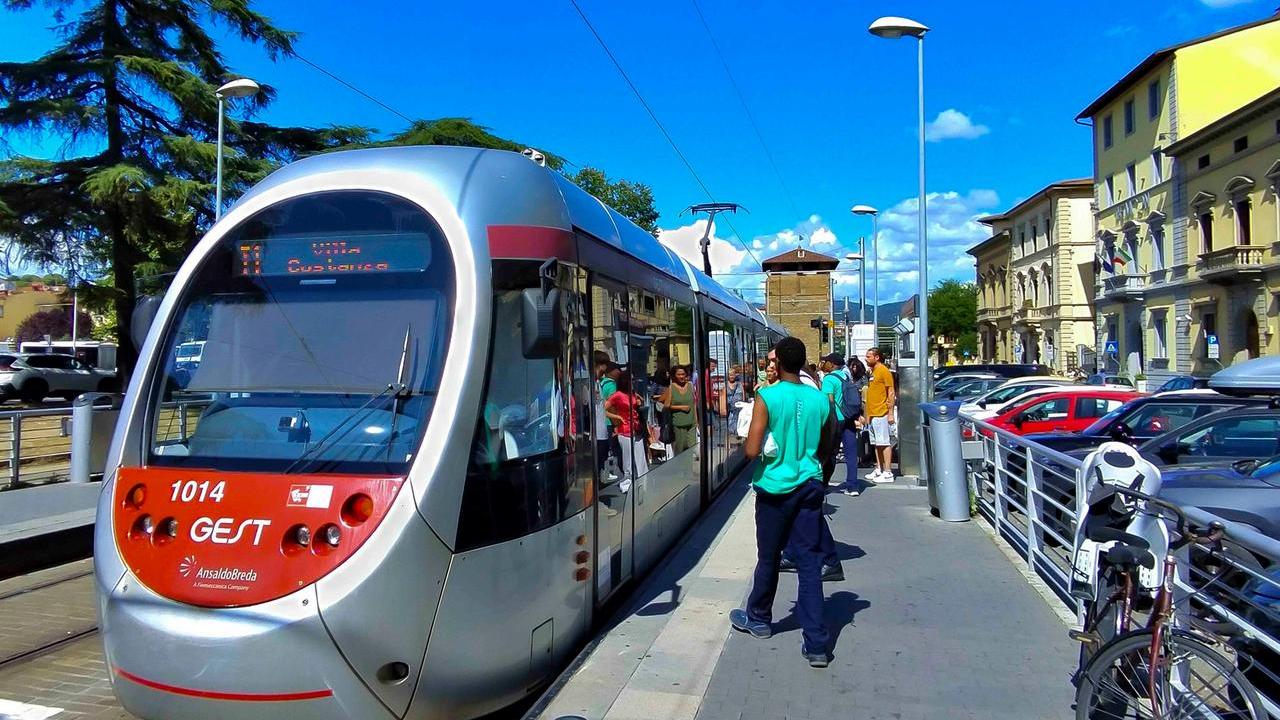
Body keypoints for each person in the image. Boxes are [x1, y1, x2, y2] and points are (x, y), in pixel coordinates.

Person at [729, 337, 832, 668]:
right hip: (809, 485)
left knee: (769, 557)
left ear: (781, 363)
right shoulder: (820, 399)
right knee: (809, 564)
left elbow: (751, 450)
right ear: (801, 363)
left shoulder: (768, 396)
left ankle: (759, 618)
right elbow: (827, 446)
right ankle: (817, 645)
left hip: (774, 488)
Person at [605, 371, 647, 489]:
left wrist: (639, 402)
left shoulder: (632, 393)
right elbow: (604, 408)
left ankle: (644, 481)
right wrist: (617, 417)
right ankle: (627, 483)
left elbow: (639, 404)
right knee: (628, 459)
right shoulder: (617, 395)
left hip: (636, 428)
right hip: (625, 430)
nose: (633, 382)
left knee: (640, 457)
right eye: (631, 380)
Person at [864, 346, 896, 483]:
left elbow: (891, 392)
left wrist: (890, 413)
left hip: (881, 412)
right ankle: (879, 468)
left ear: (877, 357)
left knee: (884, 442)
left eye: (868, 356)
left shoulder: (884, 371)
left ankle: (888, 472)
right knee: (877, 443)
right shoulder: (873, 372)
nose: (866, 359)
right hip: (873, 413)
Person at [660, 366, 698, 455]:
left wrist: (696, 421)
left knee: (692, 448)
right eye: (679, 374)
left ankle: (690, 464)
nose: (681, 376)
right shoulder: (672, 387)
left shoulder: (690, 385)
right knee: (680, 451)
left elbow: (694, 404)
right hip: (679, 424)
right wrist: (680, 407)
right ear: (674, 376)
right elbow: (666, 405)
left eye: (683, 374)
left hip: (691, 423)